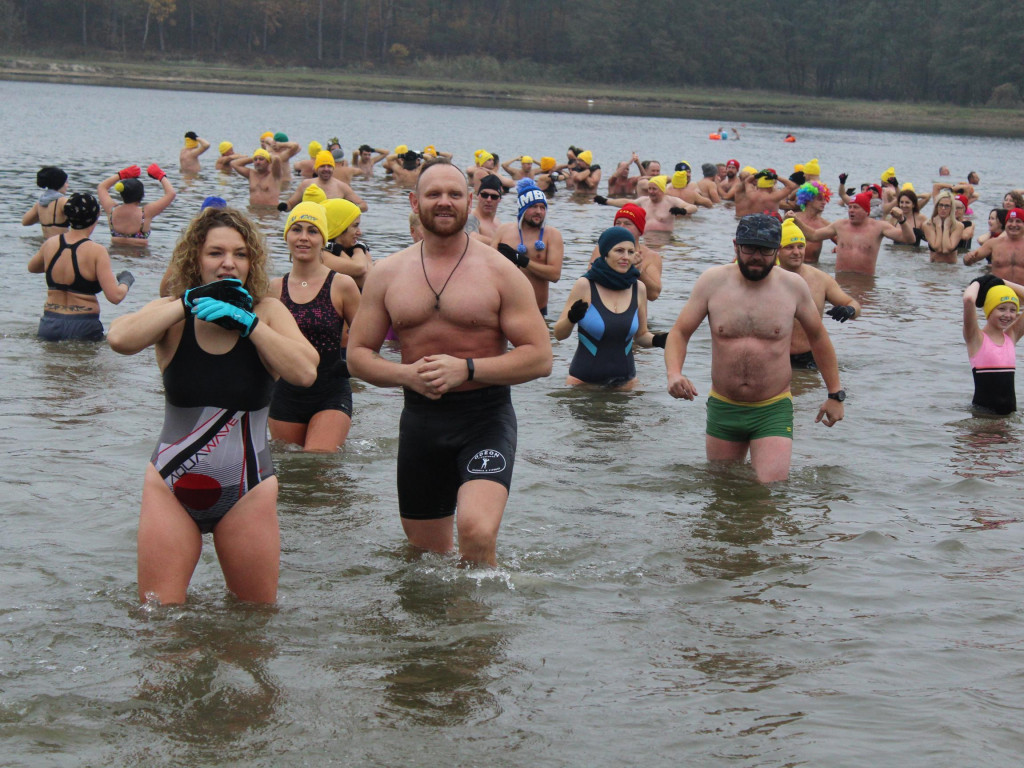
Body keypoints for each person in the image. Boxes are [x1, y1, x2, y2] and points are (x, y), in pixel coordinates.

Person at [346, 159, 552, 567]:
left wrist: (468, 369)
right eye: (434, 194)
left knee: (475, 531)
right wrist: (405, 375)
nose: (445, 202)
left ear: (470, 201)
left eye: (455, 194)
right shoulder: (387, 274)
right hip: (421, 421)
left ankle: (480, 626)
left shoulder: (500, 272)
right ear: (414, 201)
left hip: (485, 419)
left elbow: (540, 357)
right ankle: (445, 630)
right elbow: (357, 356)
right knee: (426, 558)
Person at [107, 207, 318, 605]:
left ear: (250, 262)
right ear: (196, 259)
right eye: (215, 253)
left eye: (240, 254)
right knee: (161, 622)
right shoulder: (171, 313)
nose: (228, 263)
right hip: (170, 486)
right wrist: (187, 302)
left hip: (248, 489)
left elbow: (306, 372)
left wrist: (249, 326)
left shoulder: (268, 312)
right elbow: (119, 339)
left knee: (254, 622)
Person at [663, 214, 845, 483]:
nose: (757, 257)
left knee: (768, 491)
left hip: (772, 407)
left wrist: (835, 394)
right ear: (736, 246)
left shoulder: (793, 287)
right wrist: (674, 374)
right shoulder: (712, 282)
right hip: (724, 406)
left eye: (765, 250)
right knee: (722, 492)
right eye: (749, 248)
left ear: (777, 251)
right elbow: (680, 332)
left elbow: (818, 337)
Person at [269, 202, 361, 451]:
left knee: (318, 459)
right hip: (284, 394)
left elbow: (366, 340)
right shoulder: (273, 289)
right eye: (297, 229)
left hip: (330, 390)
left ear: (323, 238)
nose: (303, 238)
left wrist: (357, 365)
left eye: (312, 231)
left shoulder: (342, 285)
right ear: (287, 236)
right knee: (292, 474)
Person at [554, 227, 662, 389]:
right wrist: (571, 318)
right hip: (583, 386)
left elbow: (641, 336)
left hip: (626, 385)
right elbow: (558, 334)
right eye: (619, 250)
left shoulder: (638, 288)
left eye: (630, 252)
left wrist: (661, 340)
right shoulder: (585, 285)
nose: (625, 257)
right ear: (605, 253)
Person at [27, 192, 133, 341]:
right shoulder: (97, 251)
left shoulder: (50, 243)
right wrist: (126, 281)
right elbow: (115, 297)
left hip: (49, 323)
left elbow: (32, 268)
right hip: (83, 325)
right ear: (96, 216)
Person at [777, 220, 861, 369]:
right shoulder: (766, 277)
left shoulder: (821, 279)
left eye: (800, 247)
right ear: (778, 250)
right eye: (789, 247)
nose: (796, 252)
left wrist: (849, 310)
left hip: (809, 359)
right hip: (775, 357)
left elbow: (853, 305)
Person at [792, 190, 912, 275]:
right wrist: (796, 221)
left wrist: (902, 220)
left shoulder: (879, 227)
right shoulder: (840, 225)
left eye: (855, 207)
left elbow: (909, 239)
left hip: (866, 281)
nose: (851, 211)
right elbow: (813, 235)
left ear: (866, 211)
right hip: (841, 279)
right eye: (850, 207)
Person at [491, 179, 564, 314]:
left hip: (536, 310)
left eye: (542, 207)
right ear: (523, 209)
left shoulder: (552, 235)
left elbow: (555, 275)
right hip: (504, 308)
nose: (539, 211)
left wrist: (523, 261)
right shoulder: (503, 230)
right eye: (533, 207)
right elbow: (488, 268)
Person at [963, 276, 1024, 415]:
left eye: (1013, 310)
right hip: (983, 417)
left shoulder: (1011, 337)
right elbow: (969, 299)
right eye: (1002, 309)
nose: (1007, 315)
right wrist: (977, 282)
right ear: (989, 309)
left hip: (1008, 418)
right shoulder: (975, 338)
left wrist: (1002, 281)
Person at [587, 203, 662, 301]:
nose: (621, 227)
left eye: (627, 224)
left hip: (633, 308)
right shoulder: (601, 248)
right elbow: (589, 282)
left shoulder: (652, 256)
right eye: (618, 223)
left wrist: (638, 271)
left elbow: (654, 295)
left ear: (640, 230)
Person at [97, 163, 176, 246]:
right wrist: (161, 176)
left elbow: (101, 187)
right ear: (142, 195)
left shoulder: (111, 210)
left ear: (122, 194)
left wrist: (121, 174)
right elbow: (171, 193)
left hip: (114, 253)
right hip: (140, 255)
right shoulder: (146, 213)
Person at [596, 175, 696, 233]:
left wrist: (683, 210)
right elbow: (626, 202)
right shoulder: (644, 201)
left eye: (654, 189)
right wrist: (606, 201)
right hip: (646, 239)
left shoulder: (671, 201)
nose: (651, 192)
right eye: (649, 189)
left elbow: (693, 207)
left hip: (666, 241)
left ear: (662, 190)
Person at [282, 151, 367, 212]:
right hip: (313, 228)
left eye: (329, 166)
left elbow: (363, 205)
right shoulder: (306, 184)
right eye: (322, 166)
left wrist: (351, 209)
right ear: (316, 169)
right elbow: (291, 204)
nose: (326, 169)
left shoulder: (342, 187)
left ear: (333, 168)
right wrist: (284, 207)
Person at [320, 196, 372, 290]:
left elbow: (372, 281)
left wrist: (340, 252)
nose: (359, 232)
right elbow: (360, 269)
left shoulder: (350, 248)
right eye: (355, 226)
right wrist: (359, 249)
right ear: (339, 227)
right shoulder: (320, 254)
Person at [964, 208, 1024, 282]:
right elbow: (968, 262)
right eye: (1010, 221)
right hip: (998, 290)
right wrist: (968, 258)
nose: (1014, 225)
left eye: (1018, 221)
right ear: (1005, 224)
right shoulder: (993, 243)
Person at [792, 181, 833, 263]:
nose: (824, 202)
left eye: (825, 199)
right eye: (820, 199)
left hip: (813, 266)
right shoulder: (793, 218)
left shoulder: (825, 225)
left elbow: (844, 243)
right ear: (808, 199)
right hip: (792, 266)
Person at [23, 166, 69, 238]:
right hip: (61, 245)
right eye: (66, 182)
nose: (67, 185)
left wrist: (43, 216)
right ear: (60, 183)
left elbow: (25, 222)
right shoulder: (63, 201)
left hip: (45, 244)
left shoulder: (39, 203)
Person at [922, 190, 964, 263]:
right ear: (936, 206)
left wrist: (946, 226)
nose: (943, 208)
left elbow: (947, 249)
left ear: (952, 208)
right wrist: (938, 226)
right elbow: (937, 248)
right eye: (941, 205)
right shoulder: (928, 225)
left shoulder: (958, 226)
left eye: (947, 206)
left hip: (951, 269)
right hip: (934, 267)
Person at [466, 173, 504, 242]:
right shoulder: (471, 217)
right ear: (477, 196)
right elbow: (471, 238)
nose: (489, 199)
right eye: (484, 195)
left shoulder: (497, 222)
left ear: (500, 199)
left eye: (494, 196)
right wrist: (500, 244)